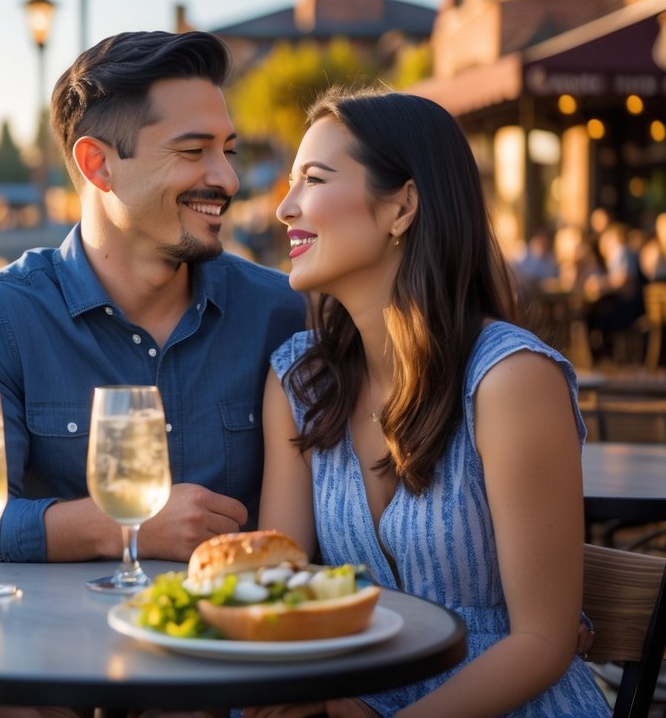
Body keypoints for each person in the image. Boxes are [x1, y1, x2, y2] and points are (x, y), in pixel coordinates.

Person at [256, 88, 609, 717]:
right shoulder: (299, 383)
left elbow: (543, 643)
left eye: (312, 179)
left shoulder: (508, 379)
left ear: (402, 206)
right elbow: (275, 598)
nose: (285, 208)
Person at [0, 30, 306, 565]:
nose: (228, 178)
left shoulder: (283, 313)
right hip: (63, 642)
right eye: (195, 151)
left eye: (229, 151)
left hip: (239, 639)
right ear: (98, 164)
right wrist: (126, 526)